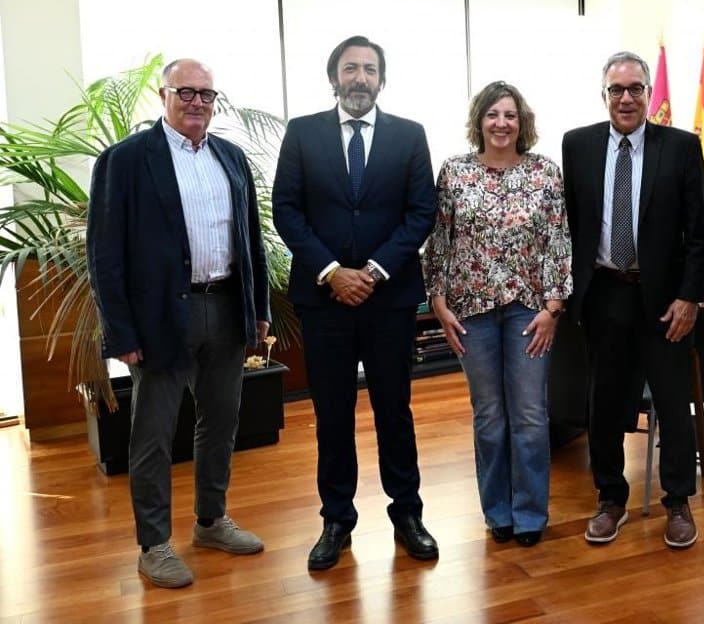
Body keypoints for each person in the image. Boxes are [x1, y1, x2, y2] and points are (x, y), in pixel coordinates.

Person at [87, 58, 270, 589]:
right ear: (163, 96)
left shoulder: (231, 159)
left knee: (221, 421)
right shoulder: (125, 161)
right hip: (162, 316)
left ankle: (211, 521)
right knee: (153, 434)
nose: (197, 102)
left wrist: (257, 310)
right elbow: (105, 253)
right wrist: (120, 332)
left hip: (225, 307)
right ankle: (154, 544)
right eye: (185, 92)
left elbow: (250, 242)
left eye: (207, 94)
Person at [272, 35, 438, 570]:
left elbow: (421, 213)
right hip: (324, 303)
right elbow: (286, 210)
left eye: (369, 69)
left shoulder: (409, 136)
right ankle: (336, 519)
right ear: (334, 78)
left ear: (381, 80)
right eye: (350, 68)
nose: (360, 77)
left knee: (396, 410)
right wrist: (331, 273)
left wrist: (370, 272)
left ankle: (407, 513)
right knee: (332, 415)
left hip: (388, 300)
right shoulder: (302, 134)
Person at [560, 50, 704, 549]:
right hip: (603, 294)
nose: (626, 98)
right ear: (603, 94)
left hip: (665, 301)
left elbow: (699, 233)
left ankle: (679, 501)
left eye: (635, 88)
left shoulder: (682, 147)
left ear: (650, 93)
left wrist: (690, 297)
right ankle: (610, 498)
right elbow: (572, 226)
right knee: (605, 403)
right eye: (616, 90)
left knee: (673, 399)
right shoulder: (576, 145)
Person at [422, 81, 572, 547]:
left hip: (530, 312)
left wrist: (553, 307)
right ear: (479, 121)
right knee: (489, 416)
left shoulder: (544, 172)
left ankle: (529, 513)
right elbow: (440, 241)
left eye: (509, 115)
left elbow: (557, 240)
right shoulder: (454, 172)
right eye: (492, 115)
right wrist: (439, 302)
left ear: (521, 122)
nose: (501, 123)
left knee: (529, 414)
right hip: (471, 312)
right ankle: (498, 512)